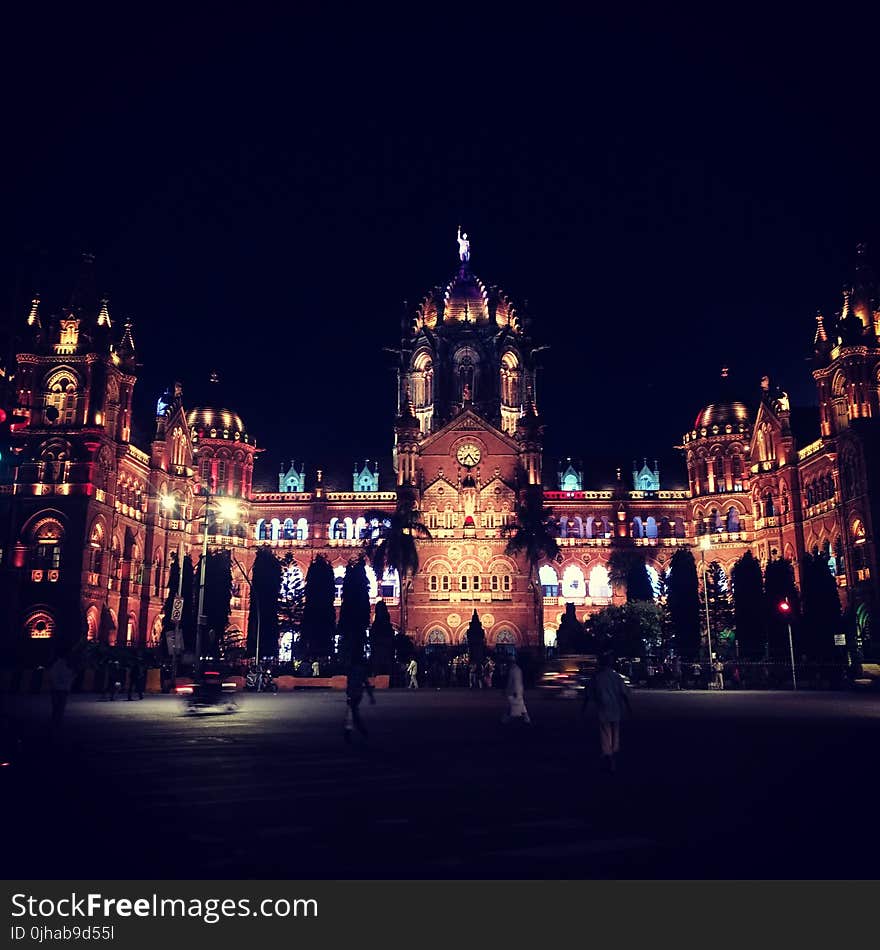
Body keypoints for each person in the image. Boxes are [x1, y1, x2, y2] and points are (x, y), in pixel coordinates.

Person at [582, 651, 632, 772]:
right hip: (615, 708)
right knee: (615, 731)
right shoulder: (616, 677)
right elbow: (624, 693)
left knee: (605, 732)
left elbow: (589, 694)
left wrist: (583, 709)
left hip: (603, 709)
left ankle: (608, 754)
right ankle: (614, 751)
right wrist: (628, 707)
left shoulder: (597, 677)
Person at [344, 662, 376, 743]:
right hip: (358, 693)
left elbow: (349, 683)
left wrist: (348, 694)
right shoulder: (361, 670)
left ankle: (354, 731)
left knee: (352, 712)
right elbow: (366, 684)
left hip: (353, 693)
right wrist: (371, 696)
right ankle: (356, 730)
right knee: (352, 712)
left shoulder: (351, 670)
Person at [48, 652, 75, 727]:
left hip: (58, 689)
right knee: (60, 706)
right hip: (61, 689)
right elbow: (68, 677)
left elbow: (52, 676)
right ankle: (57, 721)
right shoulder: (63, 666)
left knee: (56, 707)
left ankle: (56, 721)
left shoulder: (57, 665)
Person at [501, 656, 530, 725]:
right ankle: (527, 720)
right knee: (521, 707)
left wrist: (507, 691)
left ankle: (505, 720)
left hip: (514, 692)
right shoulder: (518, 669)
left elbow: (511, 682)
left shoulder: (512, 670)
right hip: (519, 690)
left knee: (514, 708)